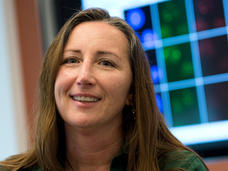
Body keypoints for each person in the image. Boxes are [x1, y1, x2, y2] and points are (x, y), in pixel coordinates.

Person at [0, 8, 209, 171]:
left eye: (106, 63)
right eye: (72, 60)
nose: (84, 77)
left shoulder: (180, 168)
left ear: (132, 92)